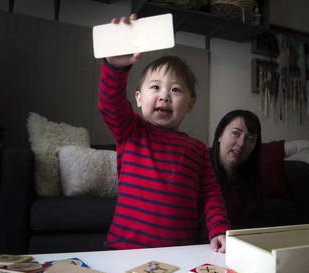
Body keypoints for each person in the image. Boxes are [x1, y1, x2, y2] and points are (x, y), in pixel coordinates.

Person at [98, 14, 230, 252]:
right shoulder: (131, 131)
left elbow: (210, 194)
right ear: (139, 99)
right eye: (155, 87)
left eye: (176, 89)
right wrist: (115, 68)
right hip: (124, 248)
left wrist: (218, 227)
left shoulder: (198, 150)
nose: (165, 95)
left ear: (190, 104)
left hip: (178, 252)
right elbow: (110, 104)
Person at [210, 110, 266, 229]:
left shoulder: (253, 178)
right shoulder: (201, 169)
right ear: (220, 134)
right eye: (236, 134)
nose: (241, 144)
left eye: (249, 139)